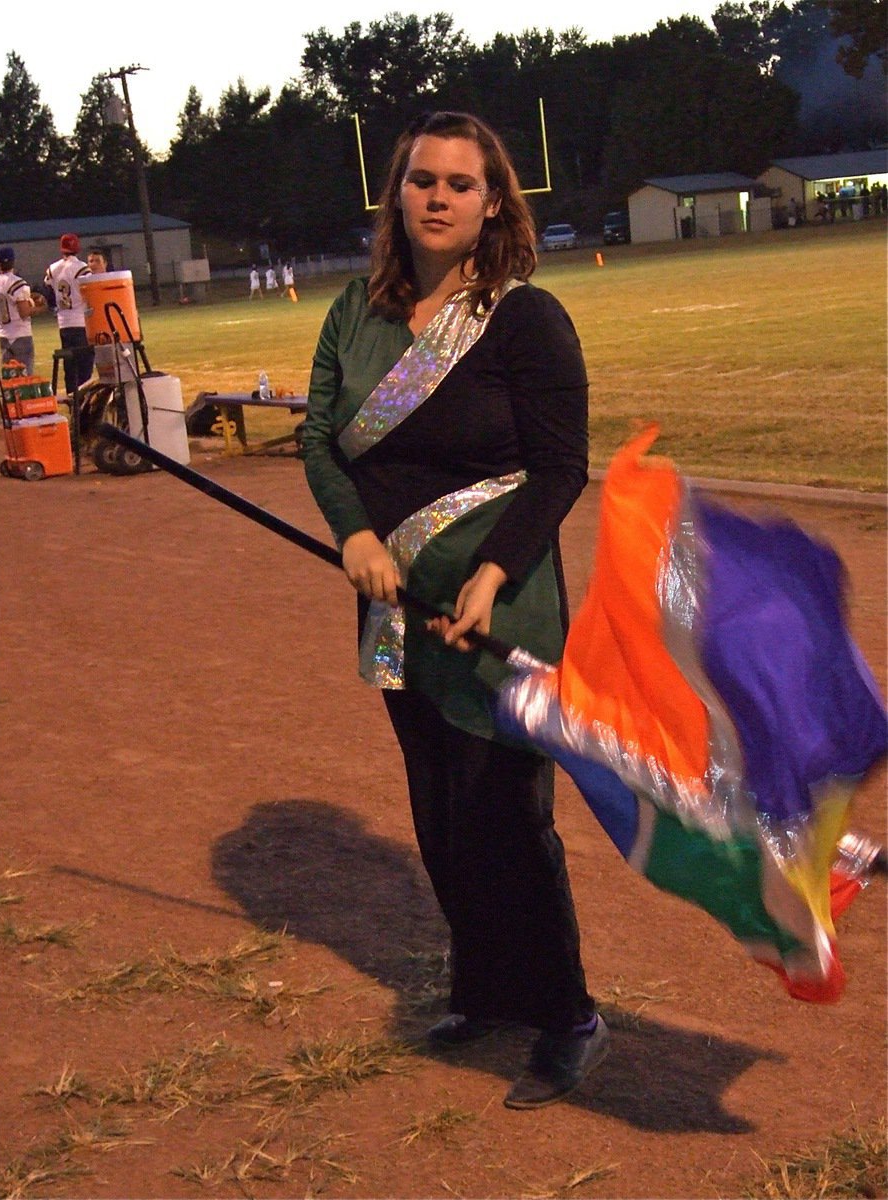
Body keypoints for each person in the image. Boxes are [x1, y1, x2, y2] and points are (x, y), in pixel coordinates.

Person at [302, 110, 607, 1111]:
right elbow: (319, 443)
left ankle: (567, 1016)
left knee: (511, 815)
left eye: (459, 183)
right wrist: (351, 536)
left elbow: (562, 467)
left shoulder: (526, 318)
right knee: (439, 807)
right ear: (398, 194)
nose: (438, 196)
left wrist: (497, 574)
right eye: (422, 179)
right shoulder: (355, 313)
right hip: (392, 605)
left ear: (491, 203)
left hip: (499, 604)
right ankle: (486, 989)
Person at [45, 233, 93, 394]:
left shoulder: (53, 268)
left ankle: (72, 398)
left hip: (63, 322)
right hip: (80, 320)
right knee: (85, 366)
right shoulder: (82, 268)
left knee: (70, 365)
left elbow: (49, 290)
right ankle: (83, 400)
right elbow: (89, 291)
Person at [0, 246, 43, 376]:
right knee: (25, 379)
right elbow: (24, 312)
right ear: (13, 261)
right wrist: (39, 308)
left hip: (3, 335)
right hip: (20, 334)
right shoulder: (17, 283)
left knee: (10, 379)